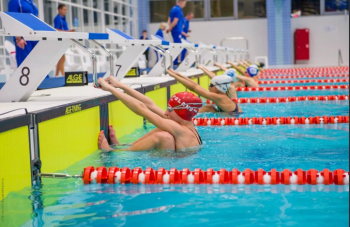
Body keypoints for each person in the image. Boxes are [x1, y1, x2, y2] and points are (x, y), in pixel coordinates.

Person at [97, 76, 203, 152]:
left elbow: (142, 109)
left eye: (170, 109)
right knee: (164, 128)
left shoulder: (181, 131)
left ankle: (117, 151)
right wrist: (120, 86)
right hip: (170, 163)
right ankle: (126, 146)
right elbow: (150, 105)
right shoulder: (184, 124)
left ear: (182, 111)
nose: (166, 112)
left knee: (163, 136)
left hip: (173, 174)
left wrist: (110, 89)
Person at [167, 69, 242, 115]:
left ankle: (185, 116)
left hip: (235, 118)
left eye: (211, 85)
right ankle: (187, 115)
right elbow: (196, 85)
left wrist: (175, 77)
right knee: (209, 107)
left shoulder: (219, 97)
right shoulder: (222, 94)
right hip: (233, 115)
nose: (208, 87)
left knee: (209, 107)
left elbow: (194, 88)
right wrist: (177, 74)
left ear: (218, 88)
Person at [8, 0, 39, 67]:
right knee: (26, 66)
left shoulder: (29, 1)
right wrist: (18, 38)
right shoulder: (15, 2)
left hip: (34, 36)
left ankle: (44, 78)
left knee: (38, 63)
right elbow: (12, 19)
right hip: (23, 38)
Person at [54, 4, 75, 77]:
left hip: (63, 40)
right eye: (64, 9)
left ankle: (57, 75)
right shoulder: (57, 18)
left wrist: (69, 31)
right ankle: (62, 75)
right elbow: (56, 29)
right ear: (60, 10)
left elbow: (64, 29)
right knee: (62, 58)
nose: (66, 11)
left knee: (61, 58)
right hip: (59, 41)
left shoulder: (63, 19)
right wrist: (68, 32)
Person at [167, 0, 187, 64]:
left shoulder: (172, 9)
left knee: (177, 45)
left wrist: (170, 27)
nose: (185, 5)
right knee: (178, 46)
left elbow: (169, 20)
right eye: (184, 3)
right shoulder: (178, 10)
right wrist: (170, 28)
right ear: (181, 2)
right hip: (177, 31)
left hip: (175, 30)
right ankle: (176, 62)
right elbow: (175, 21)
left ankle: (176, 61)